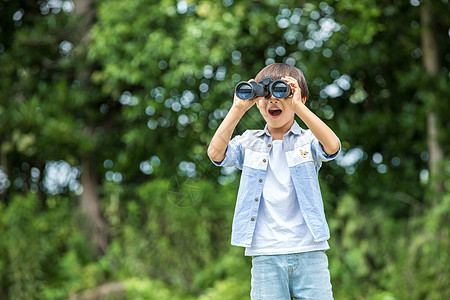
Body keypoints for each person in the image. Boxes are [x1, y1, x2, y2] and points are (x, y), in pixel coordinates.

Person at [207, 63, 341, 300]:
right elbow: (216, 154)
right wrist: (238, 107)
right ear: (257, 100)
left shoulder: (307, 140)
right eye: (265, 96)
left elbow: (332, 146)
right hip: (265, 252)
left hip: (309, 250)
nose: (273, 101)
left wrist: (297, 106)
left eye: (282, 93)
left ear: (301, 97)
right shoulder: (249, 142)